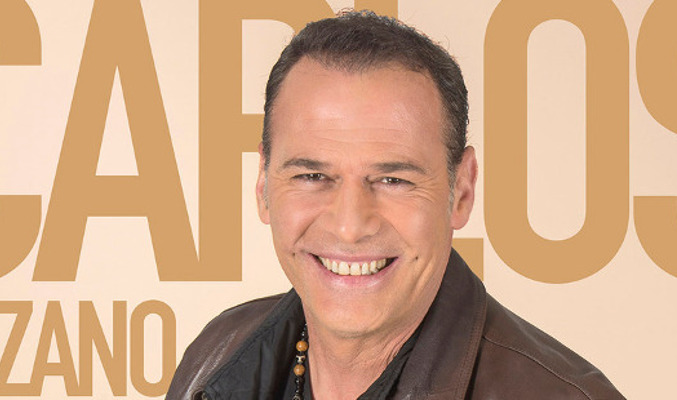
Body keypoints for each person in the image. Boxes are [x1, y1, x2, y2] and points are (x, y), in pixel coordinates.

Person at [167, 10, 625, 400]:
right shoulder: (216, 354)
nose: (350, 226)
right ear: (264, 184)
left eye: (393, 180)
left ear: (462, 192)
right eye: (312, 176)